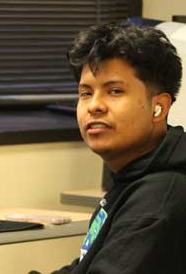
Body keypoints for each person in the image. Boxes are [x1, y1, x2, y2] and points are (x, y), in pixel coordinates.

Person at [29, 22, 186, 274]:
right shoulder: (136, 176)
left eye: (114, 91)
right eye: (85, 93)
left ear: (159, 107)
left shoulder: (158, 202)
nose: (94, 106)